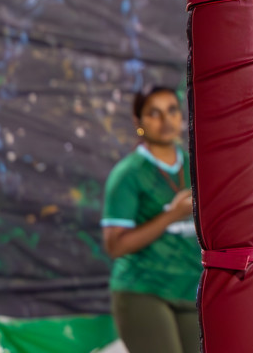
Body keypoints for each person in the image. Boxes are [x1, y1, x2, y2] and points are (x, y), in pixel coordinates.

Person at [101, 85, 201, 353]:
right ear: (139, 122)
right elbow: (116, 246)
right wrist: (171, 216)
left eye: (172, 111)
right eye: (154, 113)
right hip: (143, 289)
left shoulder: (200, 167)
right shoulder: (128, 174)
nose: (166, 121)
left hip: (192, 289)